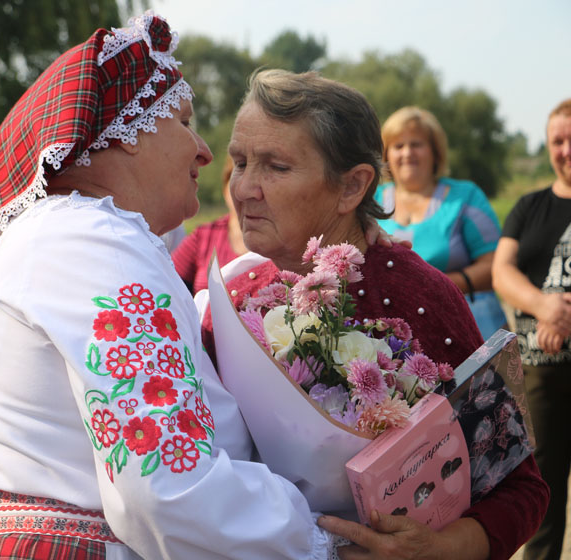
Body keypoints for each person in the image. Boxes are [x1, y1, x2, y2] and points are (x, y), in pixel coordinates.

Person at [0, 12, 360, 559]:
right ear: (127, 131)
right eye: (184, 122)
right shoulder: (90, 239)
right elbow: (168, 485)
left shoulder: (64, 236)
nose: (204, 150)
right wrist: (321, 543)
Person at [199, 69, 549, 560]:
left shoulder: (419, 295)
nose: (244, 189)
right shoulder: (230, 302)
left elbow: (522, 488)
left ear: (352, 187)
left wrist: (442, 548)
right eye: (239, 162)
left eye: (275, 167)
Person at [492, 98, 571, 560]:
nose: (566, 149)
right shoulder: (529, 206)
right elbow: (502, 272)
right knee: (543, 498)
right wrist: (545, 307)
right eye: (557, 141)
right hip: (541, 374)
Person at [374, 106, 508, 340]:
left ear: (435, 152)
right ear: (386, 156)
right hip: (394, 338)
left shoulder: (465, 197)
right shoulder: (371, 201)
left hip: (467, 327)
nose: (407, 153)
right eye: (398, 146)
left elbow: (496, 263)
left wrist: (437, 286)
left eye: (416, 144)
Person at [172, 155, 248, 294]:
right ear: (225, 189)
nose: (244, 193)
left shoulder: (282, 240)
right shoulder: (204, 236)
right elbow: (168, 282)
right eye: (237, 182)